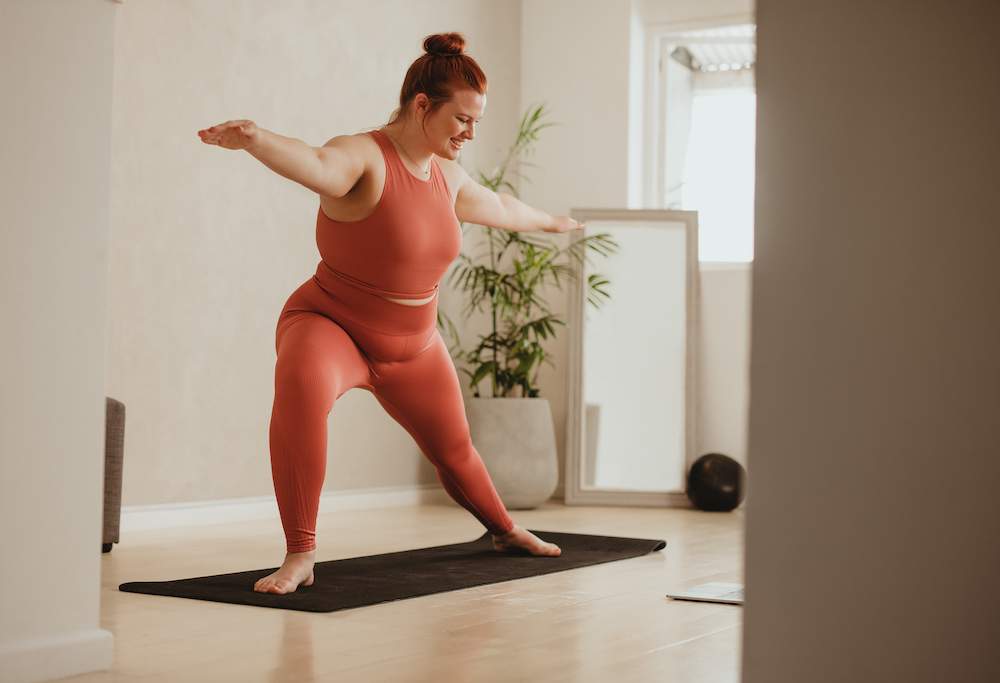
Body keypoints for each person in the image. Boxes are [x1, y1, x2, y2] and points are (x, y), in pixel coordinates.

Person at [197, 32, 583, 595]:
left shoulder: (447, 177)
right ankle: (300, 553)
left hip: (414, 344)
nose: (470, 134)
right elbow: (316, 163)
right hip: (331, 323)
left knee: (455, 452)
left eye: (476, 122)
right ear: (422, 105)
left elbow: (499, 206)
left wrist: (553, 222)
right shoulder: (363, 155)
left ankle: (504, 529)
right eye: (463, 119)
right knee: (302, 384)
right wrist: (256, 139)